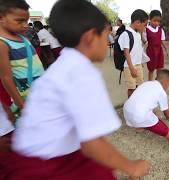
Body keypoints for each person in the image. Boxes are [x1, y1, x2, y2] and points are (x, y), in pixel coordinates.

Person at [0, 0, 151, 179]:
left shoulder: (64, 63)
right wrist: (130, 166)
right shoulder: (82, 73)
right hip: (43, 163)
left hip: (40, 151)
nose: (109, 41)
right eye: (106, 35)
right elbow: (92, 143)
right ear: (90, 37)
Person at [0, 0, 44, 117]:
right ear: (1, 18)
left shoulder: (22, 38)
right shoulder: (2, 44)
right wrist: (22, 106)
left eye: (26, 20)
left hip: (39, 94)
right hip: (26, 100)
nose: (25, 25)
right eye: (20, 21)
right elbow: (6, 78)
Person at [118, 9, 148, 97]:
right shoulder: (126, 34)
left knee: (139, 86)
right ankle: (130, 106)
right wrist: (131, 68)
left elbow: (138, 49)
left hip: (138, 64)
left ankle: (136, 104)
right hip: (129, 66)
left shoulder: (137, 34)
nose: (145, 27)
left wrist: (140, 62)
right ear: (138, 22)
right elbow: (126, 53)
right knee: (131, 88)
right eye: (144, 25)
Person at [145, 10, 167, 81]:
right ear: (150, 19)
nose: (156, 23)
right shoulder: (146, 30)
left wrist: (165, 49)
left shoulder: (160, 29)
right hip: (151, 52)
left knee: (159, 68)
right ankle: (150, 83)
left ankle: (157, 82)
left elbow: (162, 40)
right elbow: (144, 42)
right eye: (154, 21)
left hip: (159, 51)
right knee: (151, 70)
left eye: (158, 21)